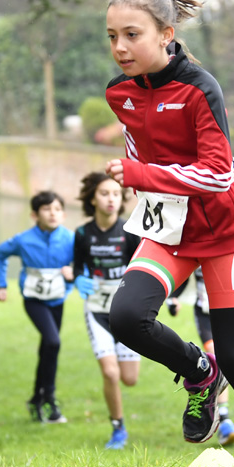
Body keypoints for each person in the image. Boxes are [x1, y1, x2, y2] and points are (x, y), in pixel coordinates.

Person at [102, 0, 234, 467]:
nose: (120, 48)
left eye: (132, 34)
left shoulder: (198, 87)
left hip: (223, 232)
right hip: (170, 230)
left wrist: (141, 175)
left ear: (166, 33)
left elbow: (217, 172)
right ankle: (198, 373)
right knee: (126, 318)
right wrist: (139, 183)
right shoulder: (118, 93)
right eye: (111, 37)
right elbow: (139, 151)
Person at [72, 172, 142, 449]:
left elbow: (142, 267)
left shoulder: (130, 231)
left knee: (129, 379)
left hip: (124, 311)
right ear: (92, 199)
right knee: (110, 374)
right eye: (104, 193)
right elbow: (77, 267)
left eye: (116, 193)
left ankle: (118, 424)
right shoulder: (82, 233)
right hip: (97, 310)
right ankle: (118, 429)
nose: (111, 199)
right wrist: (79, 278)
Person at [0, 190, 75, 424]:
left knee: (48, 349)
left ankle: (37, 400)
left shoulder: (70, 239)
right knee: (53, 342)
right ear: (34, 214)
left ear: (64, 214)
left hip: (58, 300)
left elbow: (84, 263)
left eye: (57, 209)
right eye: (47, 209)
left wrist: (74, 273)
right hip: (34, 301)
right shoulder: (23, 240)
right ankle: (49, 399)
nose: (52, 213)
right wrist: (0, 283)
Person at [164, 263, 234, 447]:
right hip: (204, 314)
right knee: (217, 355)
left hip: (230, 311)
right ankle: (224, 420)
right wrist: (173, 297)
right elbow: (185, 272)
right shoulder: (199, 245)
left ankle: (227, 418)